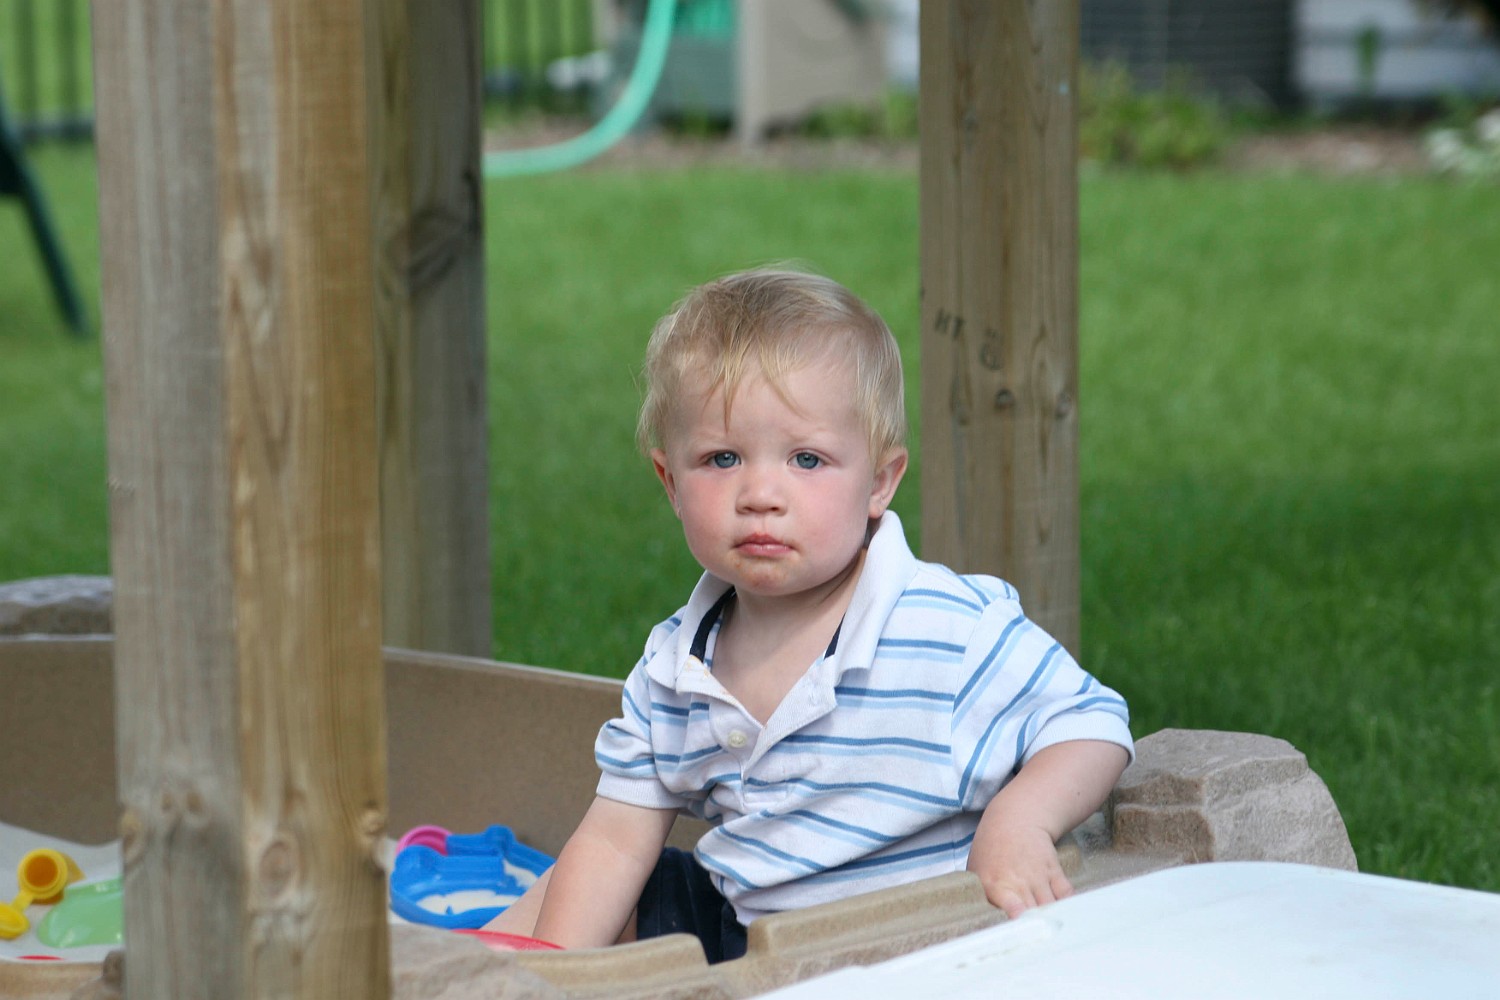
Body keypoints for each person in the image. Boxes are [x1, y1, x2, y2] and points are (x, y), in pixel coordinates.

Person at [486, 268, 1132, 962]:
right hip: (749, 939)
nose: (761, 493)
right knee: (585, 882)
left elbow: (1090, 723)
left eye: (807, 459)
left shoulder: (944, 629)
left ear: (879, 481)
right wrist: (556, 966)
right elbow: (617, 840)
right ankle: (499, 971)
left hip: (905, 950)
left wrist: (1019, 822)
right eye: (722, 458)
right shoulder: (675, 666)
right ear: (670, 482)